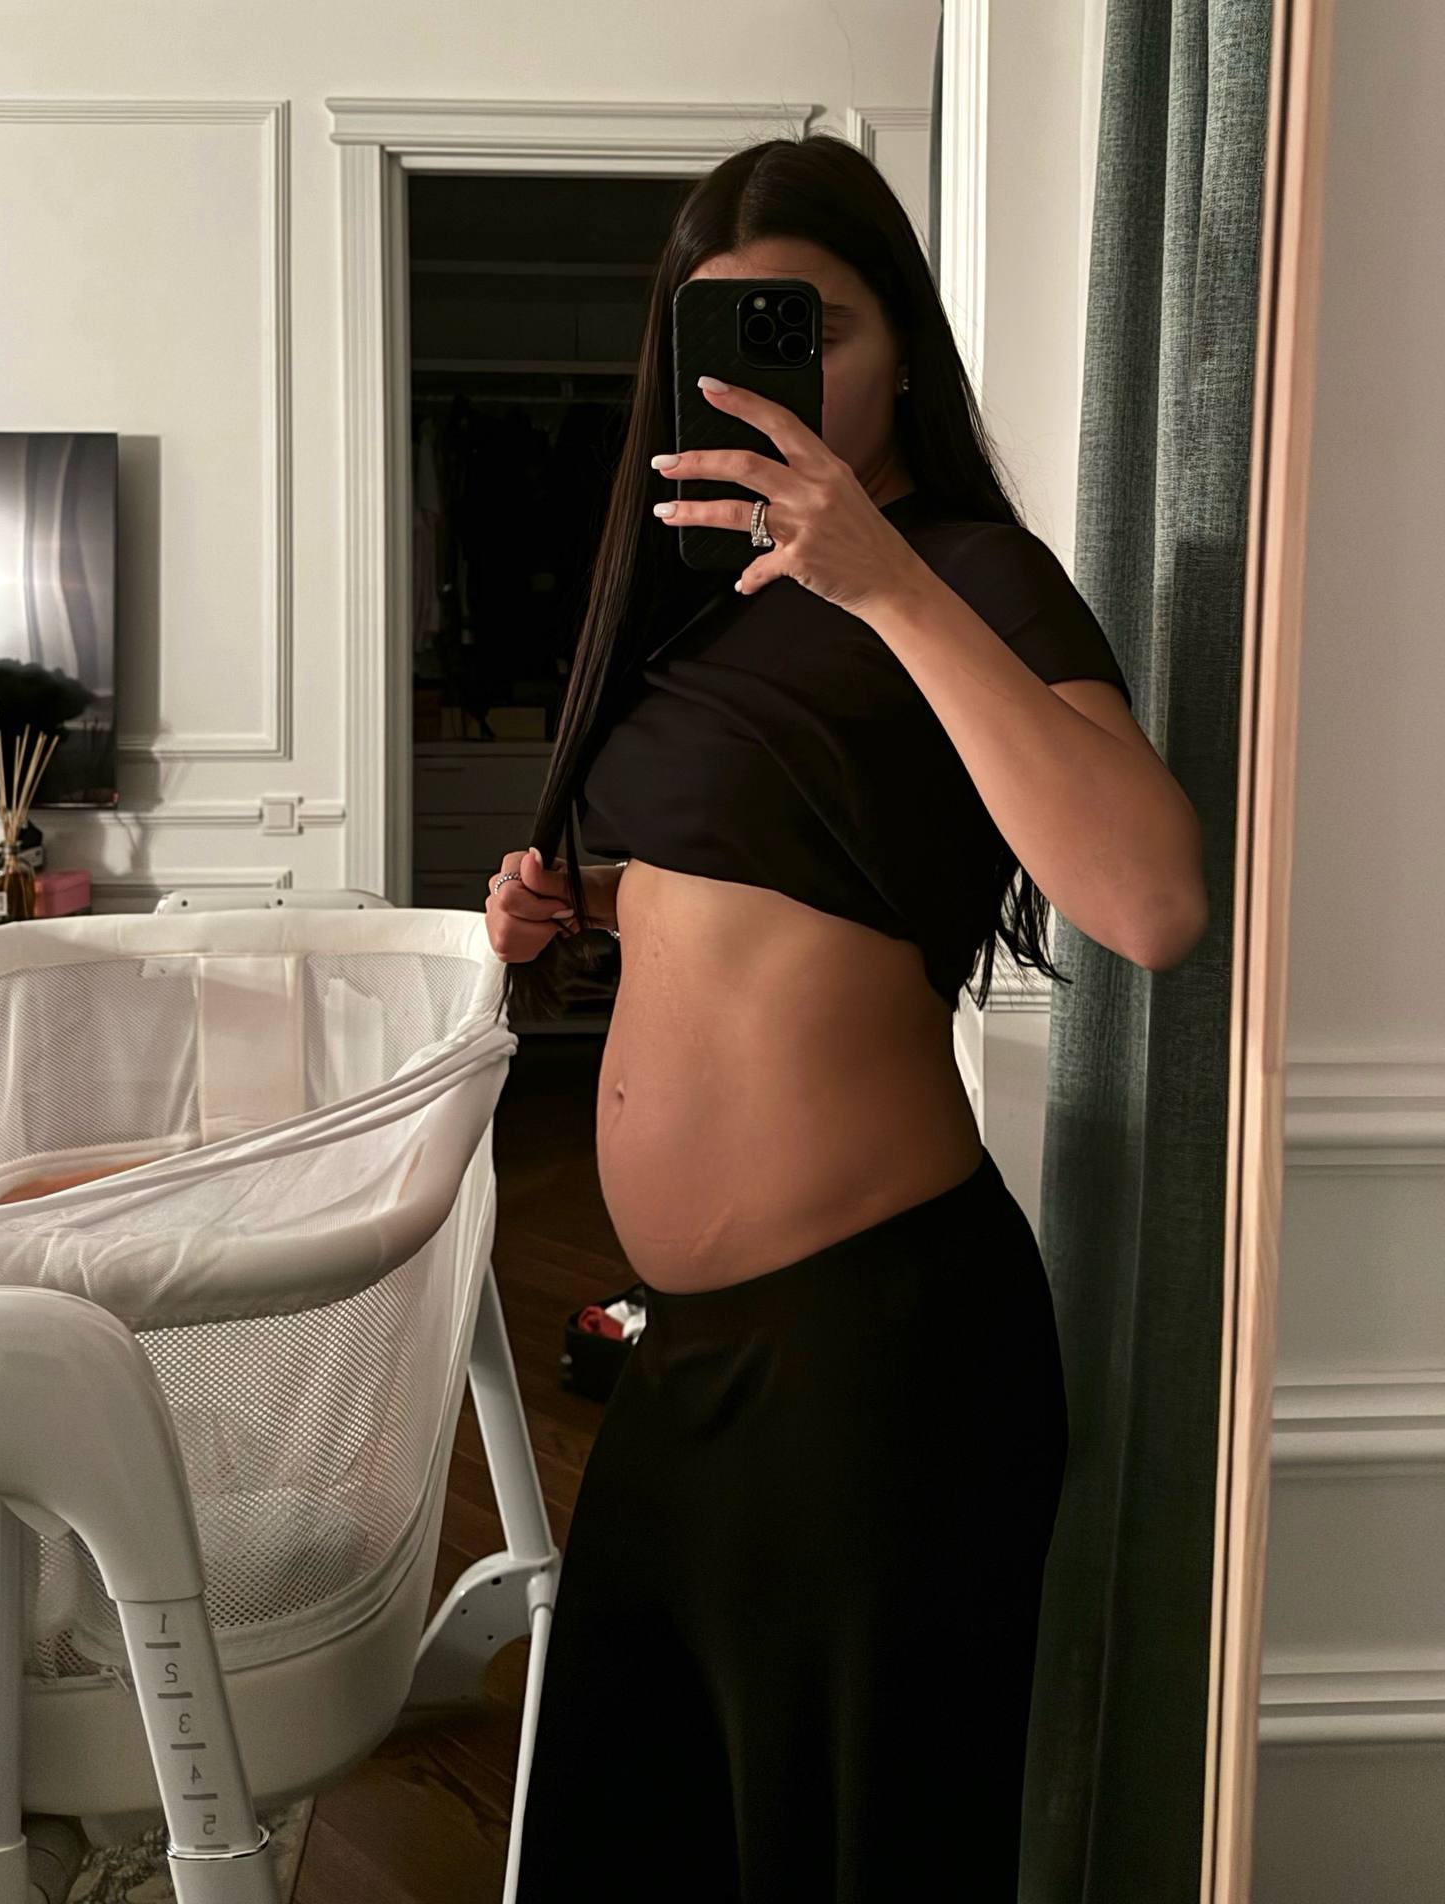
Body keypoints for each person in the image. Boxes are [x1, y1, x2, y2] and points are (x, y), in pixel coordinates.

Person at [486, 135, 1207, 1901]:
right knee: (642, 1835)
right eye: (726, 331)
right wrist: (580, 902)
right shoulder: (681, 616)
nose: (770, 372)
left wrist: (879, 575)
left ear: (903, 349)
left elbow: (1150, 900)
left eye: (814, 327)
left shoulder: (969, 572)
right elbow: (773, 878)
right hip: (685, 1354)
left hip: (881, 1357)